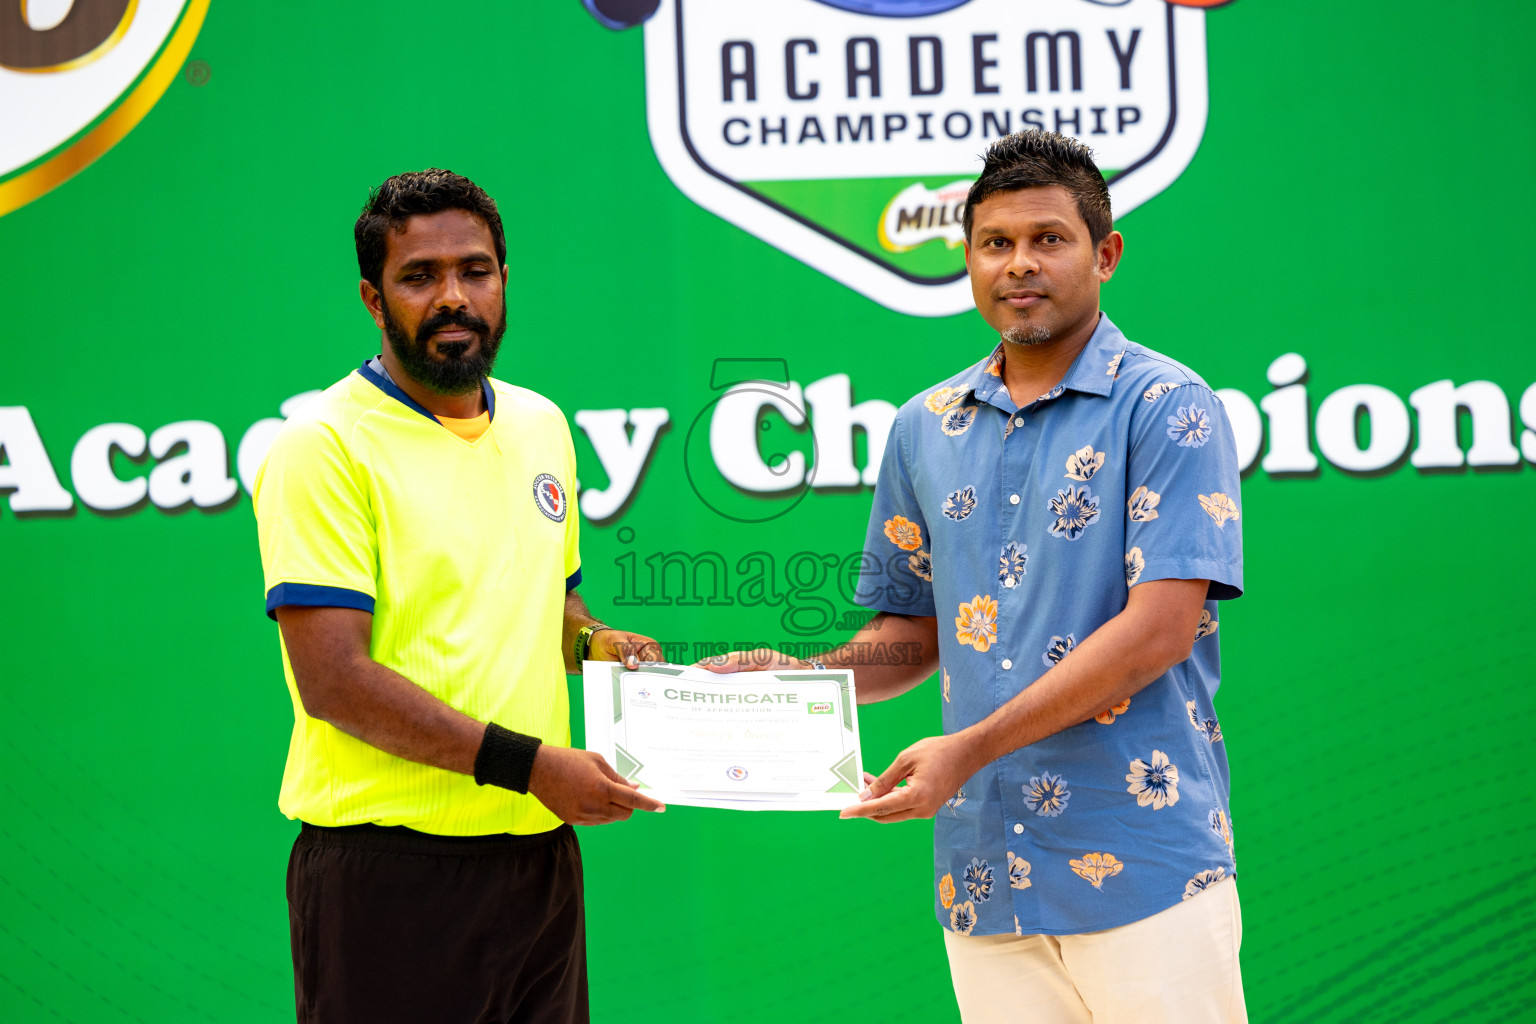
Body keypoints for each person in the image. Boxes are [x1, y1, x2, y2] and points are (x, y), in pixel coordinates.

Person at [704, 131, 1246, 1023]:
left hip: (1145, 864)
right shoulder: (926, 425)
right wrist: (797, 682)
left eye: (1048, 239)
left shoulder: (1167, 406)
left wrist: (968, 751)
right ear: (966, 258)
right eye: (996, 244)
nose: (1019, 265)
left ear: (1104, 254)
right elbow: (910, 637)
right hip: (985, 877)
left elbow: (1160, 629)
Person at [252, 168, 665, 1024]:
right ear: (374, 298)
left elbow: (552, 611)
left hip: (536, 864)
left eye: (474, 271)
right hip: (387, 875)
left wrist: (601, 649)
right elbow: (333, 681)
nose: (453, 297)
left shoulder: (541, 424)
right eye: (419, 276)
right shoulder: (323, 446)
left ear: (504, 281)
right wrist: (533, 768)